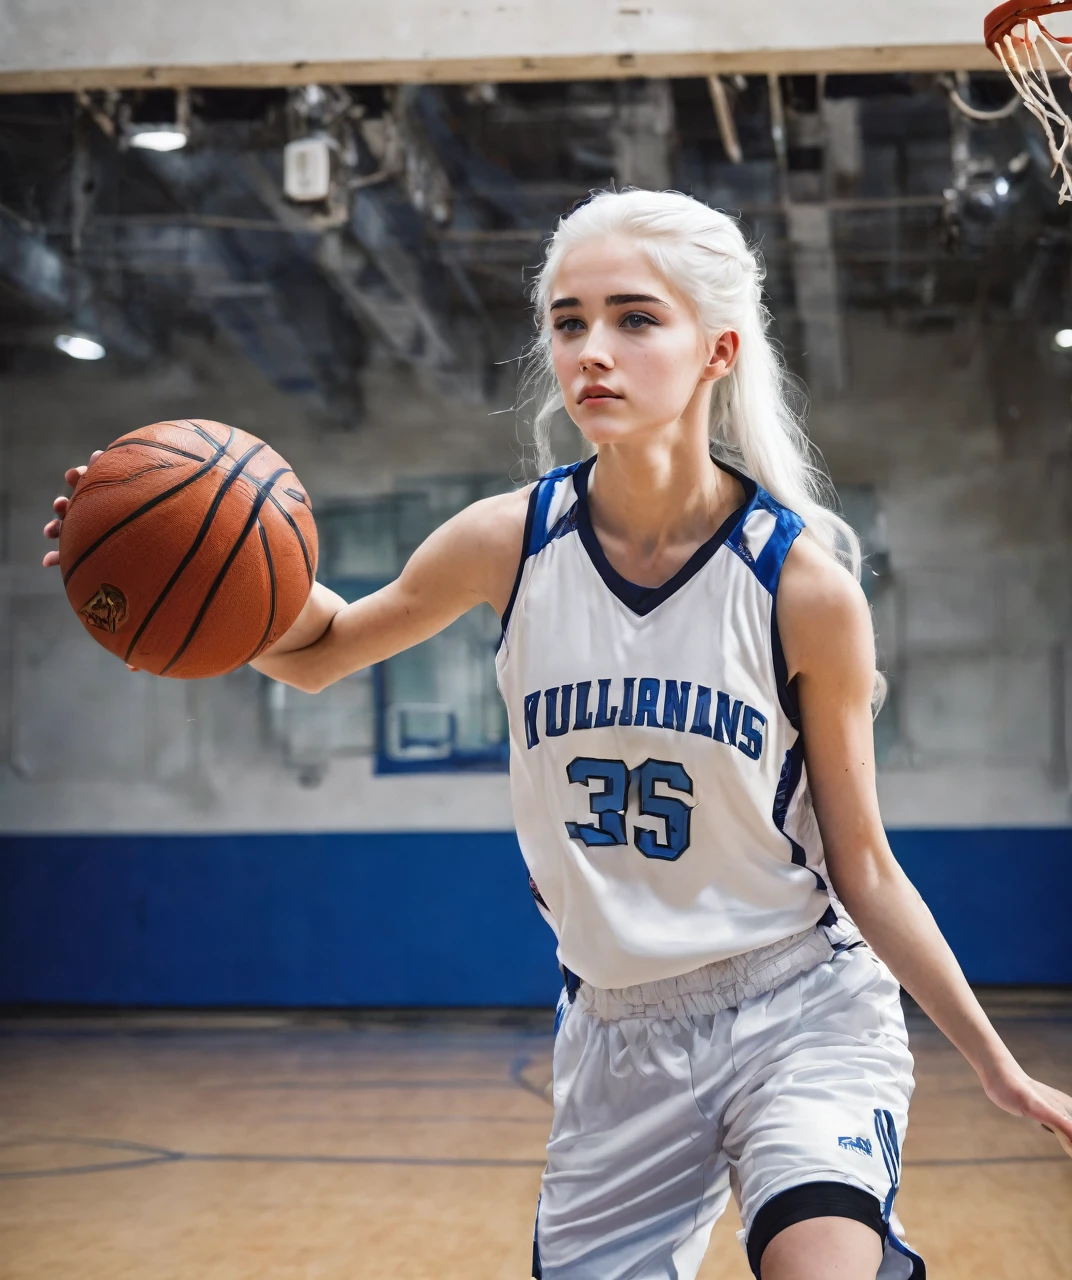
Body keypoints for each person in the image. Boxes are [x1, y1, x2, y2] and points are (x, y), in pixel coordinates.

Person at [44, 189, 1072, 1280]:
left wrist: (998, 1067)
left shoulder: (799, 586)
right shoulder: (508, 540)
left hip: (798, 1003)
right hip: (616, 1031)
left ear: (716, 346)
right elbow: (316, 647)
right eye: (568, 320)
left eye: (634, 318)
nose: (592, 349)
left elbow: (864, 868)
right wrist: (183, 572)